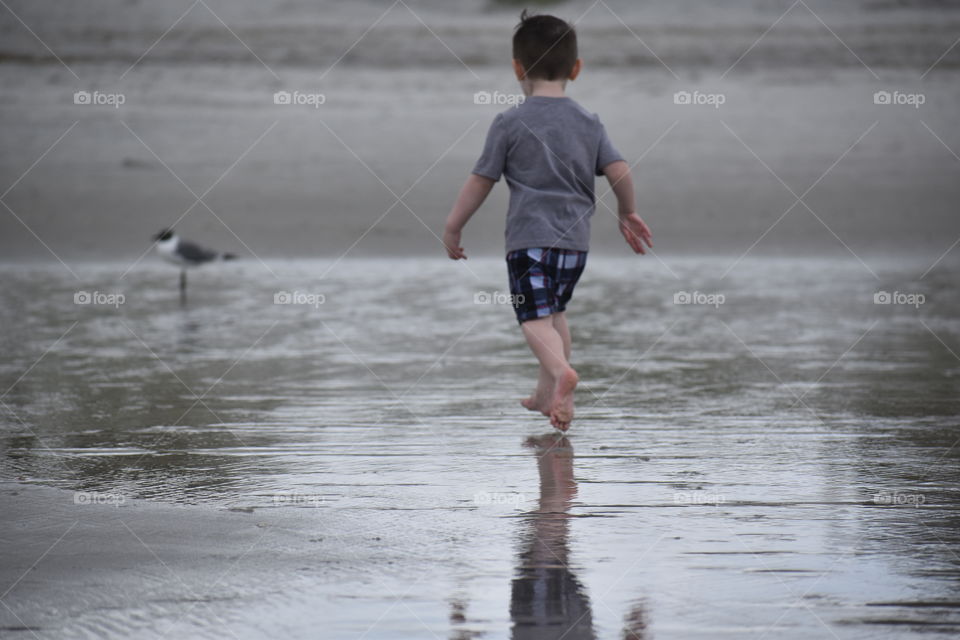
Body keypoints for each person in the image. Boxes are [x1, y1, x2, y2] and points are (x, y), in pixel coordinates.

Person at [443, 10, 652, 431]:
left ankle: (561, 375)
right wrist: (627, 212)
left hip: (529, 241)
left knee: (532, 317)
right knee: (554, 315)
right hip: (575, 244)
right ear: (576, 69)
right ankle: (549, 394)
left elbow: (481, 180)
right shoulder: (589, 123)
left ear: (518, 68)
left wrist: (453, 226)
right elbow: (619, 171)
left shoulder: (509, 122)